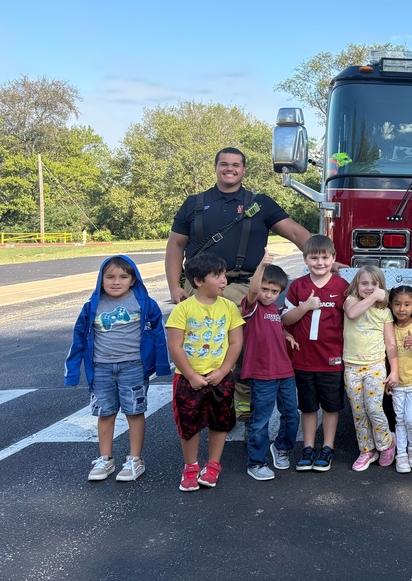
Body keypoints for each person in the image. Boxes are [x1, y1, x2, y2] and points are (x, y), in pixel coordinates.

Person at [164, 147, 311, 416]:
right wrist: (175, 286)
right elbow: (175, 246)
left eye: (235, 165)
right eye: (224, 164)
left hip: (245, 287)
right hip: (199, 288)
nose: (229, 169)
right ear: (216, 167)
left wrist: (322, 257)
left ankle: (241, 403)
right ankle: (204, 396)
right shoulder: (194, 203)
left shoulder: (260, 203)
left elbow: (295, 232)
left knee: (242, 347)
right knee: (200, 344)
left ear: (244, 170)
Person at [65, 255, 170, 482]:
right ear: (101, 280)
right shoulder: (92, 306)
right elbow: (79, 339)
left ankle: (135, 459)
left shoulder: (144, 303)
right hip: (100, 368)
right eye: (110, 276)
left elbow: (159, 334)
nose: (116, 281)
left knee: (134, 411)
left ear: (133, 280)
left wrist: (161, 365)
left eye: (123, 276)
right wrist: (72, 372)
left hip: (133, 367)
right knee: (104, 413)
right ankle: (105, 458)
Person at [165, 253, 245, 491]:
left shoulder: (229, 307)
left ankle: (213, 465)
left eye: (224, 275)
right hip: (188, 379)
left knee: (219, 423)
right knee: (189, 425)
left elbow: (236, 343)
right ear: (198, 281)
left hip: (220, 378)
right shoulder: (183, 310)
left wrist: (224, 370)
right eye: (217, 275)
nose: (224, 280)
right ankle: (190, 466)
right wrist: (191, 375)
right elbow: (174, 345)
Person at [281, 235, 346, 473]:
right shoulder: (298, 286)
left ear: (333, 259)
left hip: (332, 359)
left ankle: (327, 447)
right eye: (314, 257)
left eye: (325, 257)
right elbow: (286, 319)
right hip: (304, 359)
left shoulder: (341, 286)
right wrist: (305, 307)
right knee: (307, 407)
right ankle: (308, 447)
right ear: (305, 259)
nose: (319, 262)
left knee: (331, 406)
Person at [239, 251, 299, 480]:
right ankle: (256, 462)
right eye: (266, 289)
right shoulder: (251, 306)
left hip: (285, 371)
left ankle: (281, 447)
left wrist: (286, 335)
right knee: (260, 419)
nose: (269, 295)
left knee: (292, 414)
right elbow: (253, 290)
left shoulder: (275, 309)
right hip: (262, 373)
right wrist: (261, 265)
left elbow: (274, 326)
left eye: (275, 292)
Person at [343, 265, 399, 471]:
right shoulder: (351, 301)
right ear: (356, 285)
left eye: (374, 285)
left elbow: (391, 344)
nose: (368, 288)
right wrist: (375, 296)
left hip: (375, 366)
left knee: (374, 408)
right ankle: (366, 449)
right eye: (364, 283)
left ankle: (386, 443)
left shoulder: (384, 312)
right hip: (352, 367)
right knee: (358, 411)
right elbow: (352, 314)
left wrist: (394, 370)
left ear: (381, 286)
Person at [389, 285, 412, 473]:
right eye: (397, 304)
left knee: (411, 419)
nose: (401, 309)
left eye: (407, 304)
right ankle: (401, 454)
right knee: (400, 419)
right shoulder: (390, 328)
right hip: (397, 383)